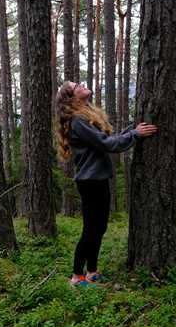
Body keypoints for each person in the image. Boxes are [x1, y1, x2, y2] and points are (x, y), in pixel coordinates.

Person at [56, 81, 157, 286]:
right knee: (91, 229)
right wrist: (135, 134)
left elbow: (105, 139)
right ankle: (76, 276)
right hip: (90, 182)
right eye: (77, 86)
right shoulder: (77, 121)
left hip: (98, 179)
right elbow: (107, 144)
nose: (82, 84)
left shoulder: (86, 116)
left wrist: (130, 130)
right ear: (72, 98)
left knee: (99, 228)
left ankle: (92, 271)